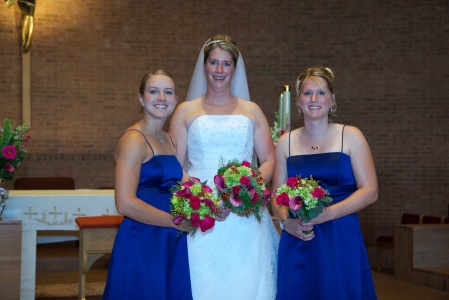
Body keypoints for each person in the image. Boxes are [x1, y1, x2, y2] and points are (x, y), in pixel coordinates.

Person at [169, 34, 279, 300]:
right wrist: (201, 198)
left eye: (226, 64)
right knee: (200, 278)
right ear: (204, 66)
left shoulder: (251, 111)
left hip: (244, 209)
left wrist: (247, 189)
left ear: (235, 68)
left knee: (247, 278)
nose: (219, 70)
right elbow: (173, 163)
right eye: (214, 63)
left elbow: (270, 160)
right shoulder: (185, 111)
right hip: (200, 206)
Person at [271, 66, 378, 299]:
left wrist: (328, 214)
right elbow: (276, 194)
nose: (314, 99)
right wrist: (285, 222)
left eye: (321, 93)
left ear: (332, 100)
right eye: (307, 93)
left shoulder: (350, 136)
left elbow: (370, 191)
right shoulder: (285, 143)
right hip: (300, 234)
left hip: (340, 233)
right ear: (298, 101)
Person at [103, 70, 193, 300]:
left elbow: (187, 185)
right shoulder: (133, 139)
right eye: (154, 91)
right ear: (141, 98)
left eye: (168, 92)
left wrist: (216, 201)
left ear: (175, 100)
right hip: (142, 237)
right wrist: (173, 221)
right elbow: (124, 203)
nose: (161, 97)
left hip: (169, 237)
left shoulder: (169, 139)